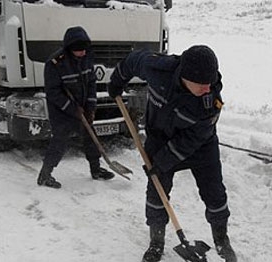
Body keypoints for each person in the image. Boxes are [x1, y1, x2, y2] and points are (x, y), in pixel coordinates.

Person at [108, 46, 237, 262]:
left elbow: (192, 140)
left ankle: (221, 239)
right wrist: (117, 82)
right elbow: (131, 61)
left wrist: (162, 162)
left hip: (201, 145)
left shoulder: (210, 102)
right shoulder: (158, 69)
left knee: (214, 193)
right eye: (202, 84)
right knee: (156, 193)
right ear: (186, 77)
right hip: (159, 139)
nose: (208, 88)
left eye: (210, 83)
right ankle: (156, 242)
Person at [37, 26, 115, 189]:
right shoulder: (55, 63)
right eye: (79, 51)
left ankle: (96, 170)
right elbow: (53, 93)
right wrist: (72, 109)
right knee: (60, 141)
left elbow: (92, 82)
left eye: (84, 50)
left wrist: (91, 107)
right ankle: (45, 175)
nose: (83, 53)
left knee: (90, 137)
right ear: (70, 49)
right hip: (62, 110)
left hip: (83, 105)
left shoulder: (86, 57)